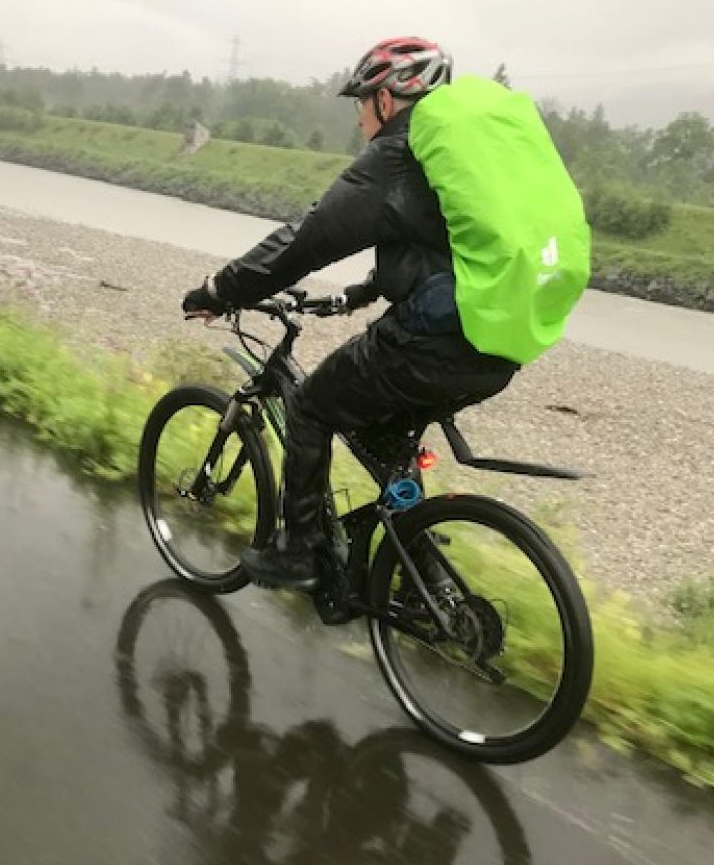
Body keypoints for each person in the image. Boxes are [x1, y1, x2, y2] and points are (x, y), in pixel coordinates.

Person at [182, 36, 519, 590]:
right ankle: (424, 576)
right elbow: (443, 250)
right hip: (499, 345)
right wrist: (362, 292)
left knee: (312, 408)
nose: (359, 116)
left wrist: (221, 289)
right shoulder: (460, 160)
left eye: (360, 102)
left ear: (385, 100)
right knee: (391, 442)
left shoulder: (396, 156)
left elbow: (305, 242)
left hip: (433, 343)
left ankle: (299, 555)